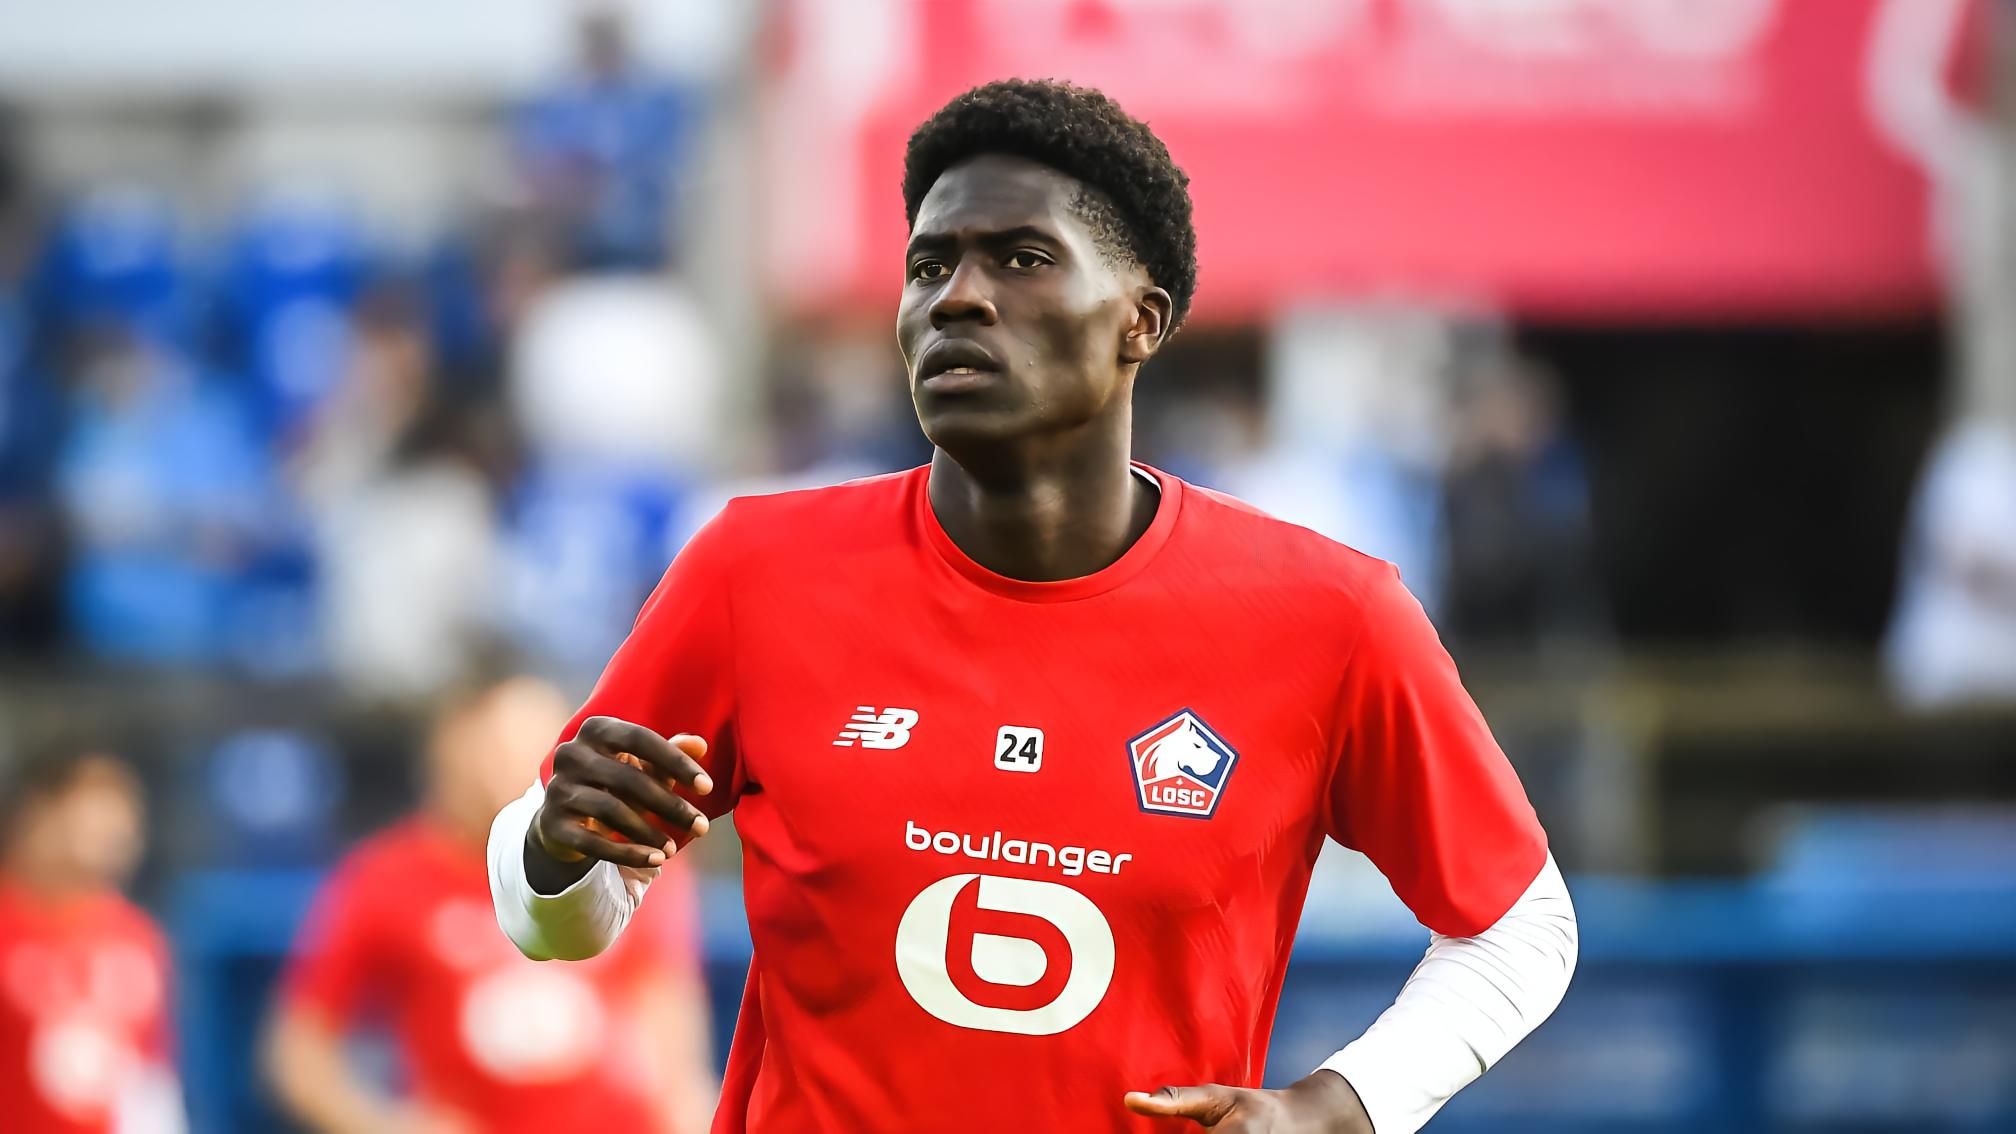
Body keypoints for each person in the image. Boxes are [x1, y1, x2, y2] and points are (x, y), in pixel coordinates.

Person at [489, 79, 1577, 1133]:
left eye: (1022, 258)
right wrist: (552, 851)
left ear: (1141, 321)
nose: (956, 297)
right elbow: (562, 924)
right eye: (929, 265)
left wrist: (1345, 1106)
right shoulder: (753, 568)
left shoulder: (1330, 615)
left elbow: (1522, 927)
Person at [269, 671, 715, 1134]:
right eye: (506, 746)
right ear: (455, 747)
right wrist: (389, 1125)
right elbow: (300, 1054)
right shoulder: (383, 879)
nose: (532, 765)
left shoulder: (626, 857)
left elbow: (673, 1040)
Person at [0, 745, 185, 1134]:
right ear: (37, 815)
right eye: (92, 803)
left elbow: (150, 1079)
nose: (111, 825)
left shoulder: (138, 938)